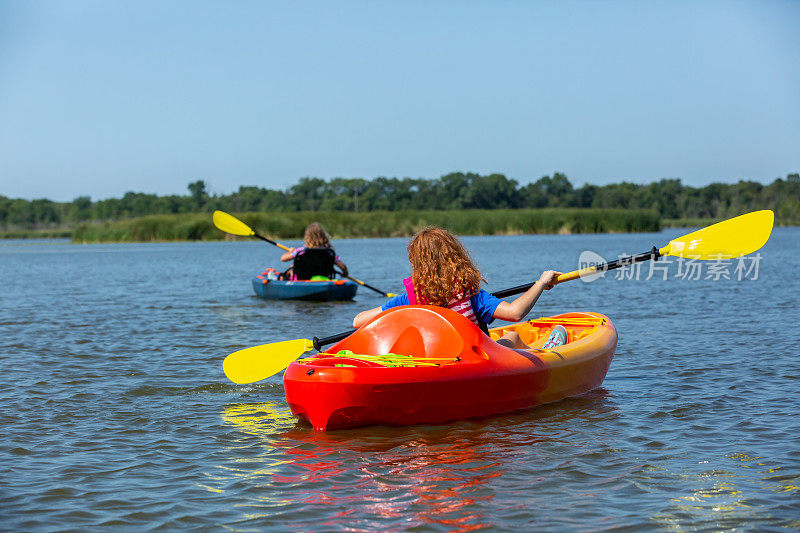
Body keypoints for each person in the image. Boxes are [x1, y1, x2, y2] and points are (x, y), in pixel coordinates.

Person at [352, 226, 567, 350]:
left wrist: (398, 314)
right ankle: (544, 353)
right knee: (512, 336)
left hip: (439, 362)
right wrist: (541, 283)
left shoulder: (409, 299)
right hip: (478, 361)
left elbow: (358, 321)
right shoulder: (469, 294)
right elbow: (516, 312)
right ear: (454, 257)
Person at [279, 222, 349, 281]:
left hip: (302, 278)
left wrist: (291, 251)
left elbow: (283, 258)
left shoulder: (301, 251)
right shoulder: (329, 252)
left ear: (307, 237)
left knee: (286, 273)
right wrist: (345, 273)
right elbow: (343, 267)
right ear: (323, 236)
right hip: (323, 278)